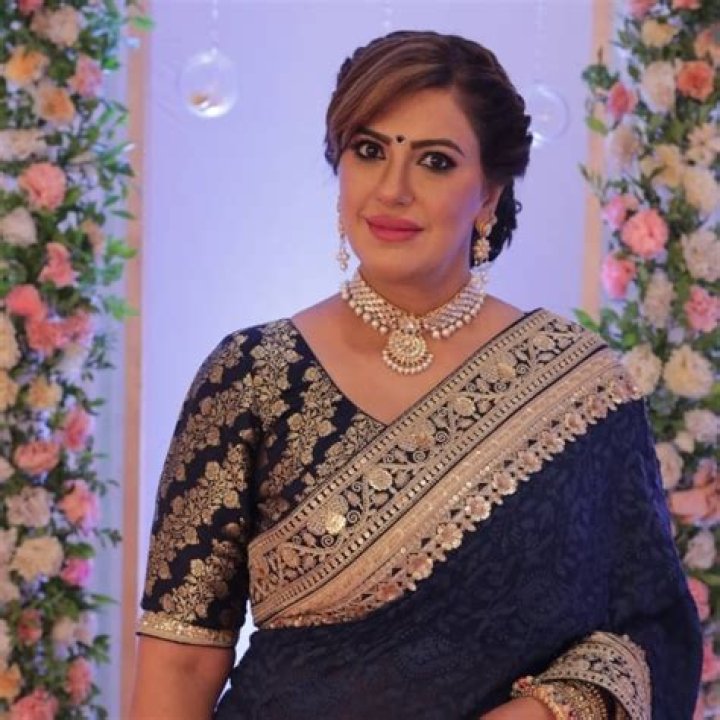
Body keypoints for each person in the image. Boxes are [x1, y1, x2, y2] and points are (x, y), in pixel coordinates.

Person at [130, 30, 702, 720]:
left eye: (435, 161)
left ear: (488, 194)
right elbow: (181, 660)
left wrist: (546, 713)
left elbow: (654, 630)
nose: (392, 189)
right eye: (369, 151)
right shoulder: (250, 376)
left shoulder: (582, 388)